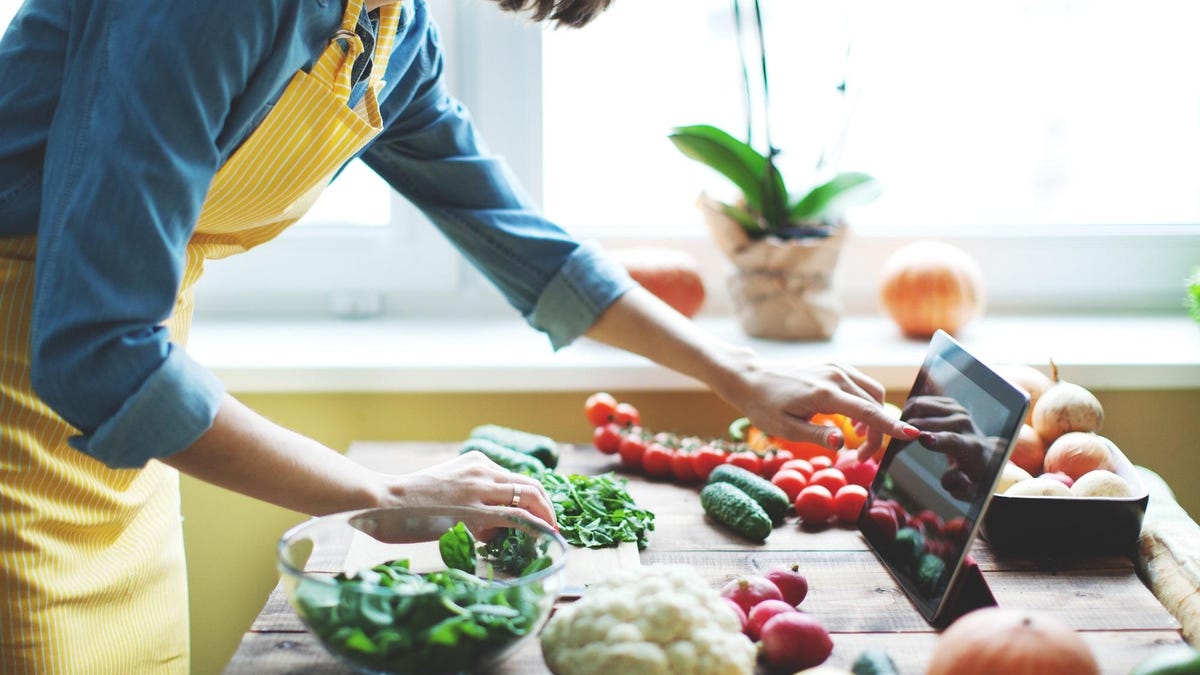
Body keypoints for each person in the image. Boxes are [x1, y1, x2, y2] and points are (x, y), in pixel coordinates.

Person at [0, 0, 920, 671]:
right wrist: (386, 492)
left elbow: (520, 240)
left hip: (125, 431)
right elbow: (96, 347)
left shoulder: (387, 29)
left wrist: (739, 370)